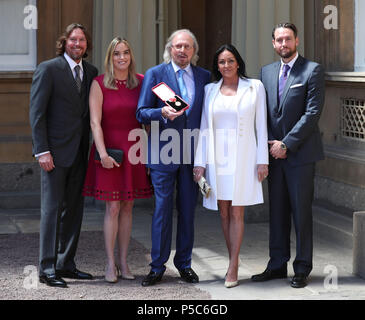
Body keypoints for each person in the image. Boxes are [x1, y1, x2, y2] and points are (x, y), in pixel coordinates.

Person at [251, 23, 325, 288]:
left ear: (297, 40)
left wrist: (286, 144)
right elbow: (264, 112)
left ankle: (302, 267)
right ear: (273, 43)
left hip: (300, 155)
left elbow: (312, 113)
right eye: (279, 40)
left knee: (301, 213)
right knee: (277, 212)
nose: (284, 44)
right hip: (274, 155)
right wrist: (269, 146)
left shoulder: (312, 70)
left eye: (288, 39)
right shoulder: (267, 72)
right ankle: (277, 264)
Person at [136, 29, 211, 287]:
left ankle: (184, 264)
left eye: (187, 47)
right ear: (170, 48)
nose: (182, 50)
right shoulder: (156, 74)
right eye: (178, 46)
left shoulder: (204, 77)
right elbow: (141, 113)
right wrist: (162, 112)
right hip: (163, 152)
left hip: (192, 153)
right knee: (162, 211)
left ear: (194, 51)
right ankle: (157, 266)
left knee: (188, 211)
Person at [193, 44, 269, 288]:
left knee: (237, 211)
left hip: (244, 156)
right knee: (223, 211)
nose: (226, 65)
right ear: (217, 66)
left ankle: (233, 265)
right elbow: (204, 127)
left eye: (230, 61)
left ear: (238, 63)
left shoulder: (254, 87)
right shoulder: (209, 90)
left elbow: (261, 126)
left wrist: (262, 160)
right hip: (218, 158)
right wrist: (200, 164)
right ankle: (232, 258)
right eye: (221, 62)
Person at [29, 23, 98, 288]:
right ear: (64, 42)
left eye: (82, 39)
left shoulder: (91, 72)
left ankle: (66, 263)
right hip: (54, 155)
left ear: (86, 44)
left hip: (80, 152)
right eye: (73, 39)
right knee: (51, 210)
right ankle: (47, 269)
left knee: (74, 210)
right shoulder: (48, 69)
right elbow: (37, 114)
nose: (77, 43)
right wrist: (41, 150)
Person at [83, 37, 153, 283]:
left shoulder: (143, 82)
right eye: (116, 53)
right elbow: (94, 122)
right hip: (110, 153)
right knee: (112, 206)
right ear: (110, 57)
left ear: (131, 56)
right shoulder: (99, 84)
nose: (122, 57)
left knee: (128, 206)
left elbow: (148, 119)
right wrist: (102, 154)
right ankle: (110, 263)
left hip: (134, 152)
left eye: (126, 53)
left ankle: (124, 261)